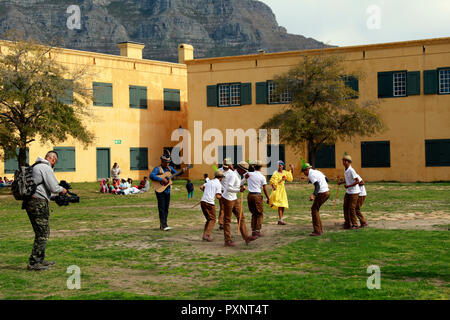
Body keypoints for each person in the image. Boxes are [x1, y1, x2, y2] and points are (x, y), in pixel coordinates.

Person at [24, 151, 67, 271]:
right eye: (55, 161)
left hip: (31, 202)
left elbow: (41, 188)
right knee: (42, 233)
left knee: (41, 232)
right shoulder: (45, 167)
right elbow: (53, 187)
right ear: (52, 159)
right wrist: (62, 190)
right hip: (38, 203)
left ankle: (40, 259)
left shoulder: (35, 166)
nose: (54, 164)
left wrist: (52, 197)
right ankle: (34, 262)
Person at [221, 161, 257, 247]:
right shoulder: (233, 175)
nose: (245, 172)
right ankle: (227, 241)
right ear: (240, 169)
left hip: (234, 198)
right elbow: (228, 188)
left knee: (241, 217)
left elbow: (237, 184)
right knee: (227, 220)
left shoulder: (237, 175)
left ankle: (246, 237)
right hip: (228, 199)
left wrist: (245, 179)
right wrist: (239, 190)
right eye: (244, 170)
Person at [150, 151, 184, 231]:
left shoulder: (170, 168)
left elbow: (176, 173)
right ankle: (163, 225)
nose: (167, 164)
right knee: (161, 208)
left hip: (167, 190)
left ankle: (164, 224)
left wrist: (182, 171)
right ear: (162, 161)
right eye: (166, 162)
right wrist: (161, 179)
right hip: (160, 190)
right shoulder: (157, 168)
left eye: (168, 162)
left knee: (166, 208)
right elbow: (151, 175)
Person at [301, 162, 330, 236]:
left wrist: (313, 195)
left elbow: (317, 186)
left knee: (314, 210)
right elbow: (326, 179)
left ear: (307, 169)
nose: (304, 173)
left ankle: (317, 231)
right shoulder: (317, 171)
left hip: (322, 193)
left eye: (304, 171)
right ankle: (320, 229)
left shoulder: (311, 174)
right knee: (316, 209)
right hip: (327, 192)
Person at [244, 160, 270, 238]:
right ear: (261, 167)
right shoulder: (262, 177)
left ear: (254, 167)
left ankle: (253, 230)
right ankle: (257, 231)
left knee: (254, 213)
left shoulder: (248, 174)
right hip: (257, 195)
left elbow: (243, 175)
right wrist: (268, 198)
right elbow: (265, 188)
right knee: (259, 213)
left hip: (250, 195)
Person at [199, 170, 224, 242]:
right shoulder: (218, 184)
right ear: (221, 178)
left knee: (209, 219)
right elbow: (217, 196)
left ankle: (205, 235)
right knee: (213, 219)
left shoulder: (209, 181)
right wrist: (223, 197)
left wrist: (207, 192)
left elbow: (201, 187)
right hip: (209, 203)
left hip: (203, 201)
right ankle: (207, 235)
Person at [338, 153, 361, 230]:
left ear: (347, 162)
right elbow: (348, 180)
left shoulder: (351, 170)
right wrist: (342, 182)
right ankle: (347, 223)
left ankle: (355, 224)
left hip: (354, 192)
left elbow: (357, 181)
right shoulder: (345, 170)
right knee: (345, 207)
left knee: (352, 208)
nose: (343, 162)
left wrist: (349, 186)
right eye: (343, 160)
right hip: (348, 192)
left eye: (344, 161)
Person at [269, 161, 294, 225]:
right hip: (277, 190)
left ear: (283, 166)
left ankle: (280, 219)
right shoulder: (275, 173)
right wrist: (274, 186)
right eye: (279, 165)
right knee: (280, 205)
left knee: (283, 205)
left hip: (282, 191)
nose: (280, 166)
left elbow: (290, 177)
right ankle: (280, 219)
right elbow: (272, 181)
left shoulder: (284, 172)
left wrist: (292, 168)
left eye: (281, 165)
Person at [217, 158, 233, 230]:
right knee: (222, 208)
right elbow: (216, 181)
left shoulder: (232, 173)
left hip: (229, 192)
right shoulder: (219, 171)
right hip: (222, 191)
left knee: (229, 208)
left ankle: (226, 222)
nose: (225, 168)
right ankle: (221, 223)